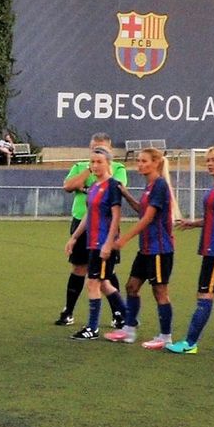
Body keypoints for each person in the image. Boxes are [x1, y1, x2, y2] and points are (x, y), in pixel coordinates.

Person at [106, 147, 179, 348]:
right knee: (132, 286)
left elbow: (148, 218)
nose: (140, 164)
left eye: (144, 161)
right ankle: (129, 330)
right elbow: (142, 209)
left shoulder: (160, 185)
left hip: (159, 249)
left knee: (160, 291)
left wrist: (124, 239)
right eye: (138, 161)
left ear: (156, 162)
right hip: (146, 248)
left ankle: (165, 336)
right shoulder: (149, 186)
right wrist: (126, 194)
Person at [58, 132, 127, 327]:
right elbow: (70, 186)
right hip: (82, 223)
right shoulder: (82, 167)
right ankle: (69, 311)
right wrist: (90, 171)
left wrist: (89, 183)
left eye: (101, 151)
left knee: (105, 275)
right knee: (81, 269)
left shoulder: (117, 170)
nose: (96, 157)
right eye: (93, 151)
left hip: (105, 230)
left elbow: (117, 190)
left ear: (110, 152)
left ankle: (117, 316)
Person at [166, 145, 214, 354]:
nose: (210, 164)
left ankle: (189, 343)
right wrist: (193, 223)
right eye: (209, 160)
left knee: (204, 294)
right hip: (209, 248)